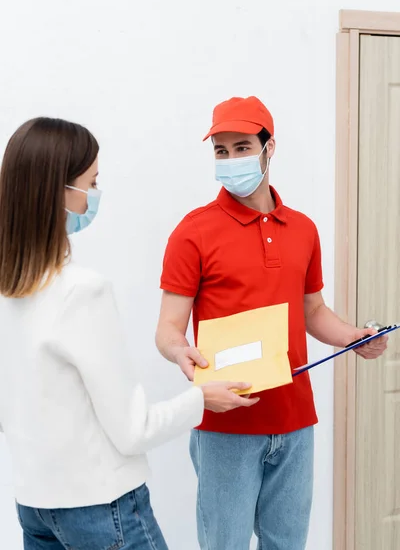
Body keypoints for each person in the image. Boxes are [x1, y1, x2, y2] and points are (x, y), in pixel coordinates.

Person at [0, 117, 258, 550]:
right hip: (104, 511)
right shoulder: (82, 291)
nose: (95, 195)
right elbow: (133, 429)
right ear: (58, 192)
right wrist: (202, 398)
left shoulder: (9, 291)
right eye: (92, 182)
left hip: (33, 507)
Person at [155, 96, 388, 550]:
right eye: (221, 151)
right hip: (225, 426)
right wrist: (180, 353)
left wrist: (354, 337)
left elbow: (312, 311)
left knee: (287, 545)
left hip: (295, 420)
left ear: (269, 148)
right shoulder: (192, 232)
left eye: (242, 147)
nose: (230, 160)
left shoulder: (303, 229)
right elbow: (168, 328)